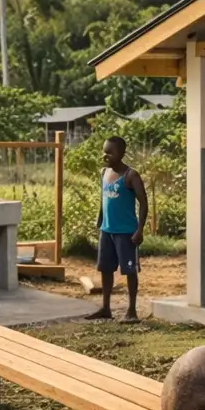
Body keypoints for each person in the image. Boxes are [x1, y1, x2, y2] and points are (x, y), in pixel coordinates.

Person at [84, 135, 148, 323]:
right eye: (104, 151)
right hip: (107, 231)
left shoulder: (131, 176)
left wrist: (140, 230)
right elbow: (103, 199)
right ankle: (105, 307)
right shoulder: (104, 172)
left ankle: (132, 311)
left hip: (126, 233)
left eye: (110, 152)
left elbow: (144, 204)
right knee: (105, 269)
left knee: (129, 271)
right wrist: (100, 220)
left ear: (122, 153)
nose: (106, 155)